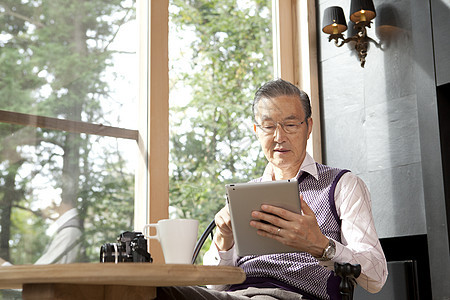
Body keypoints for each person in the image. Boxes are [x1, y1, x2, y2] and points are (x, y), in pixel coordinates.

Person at [157, 79, 387, 300]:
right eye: (269, 126)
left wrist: (320, 245)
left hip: (296, 295)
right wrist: (224, 238)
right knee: (155, 292)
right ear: (257, 130)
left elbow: (376, 278)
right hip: (236, 295)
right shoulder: (245, 195)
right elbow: (215, 285)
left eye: (290, 124)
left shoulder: (342, 185)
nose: (279, 137)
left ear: (308, 127)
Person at [1, 202, 82, 266]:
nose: (41, 211)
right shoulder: (68, 229)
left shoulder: (69, 231)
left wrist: (4, 266)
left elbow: (41, 273)